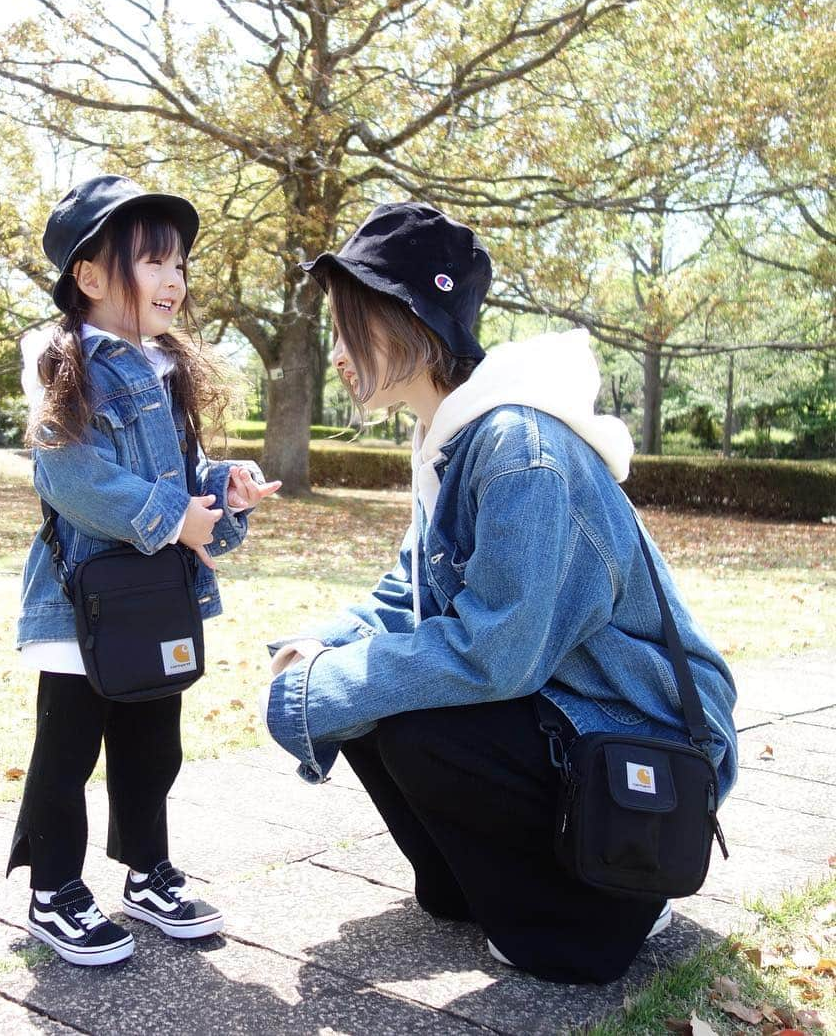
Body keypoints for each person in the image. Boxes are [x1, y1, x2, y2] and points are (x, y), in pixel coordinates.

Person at [260, 202, 737, 984]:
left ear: (406, 319)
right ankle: (474, 885)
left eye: (350, 328)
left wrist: (328, 688)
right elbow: (405, 592)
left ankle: (612, 908)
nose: (338, 352)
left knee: (410, 716)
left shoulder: (519, 449)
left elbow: (497, 651)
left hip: (647, 738)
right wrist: (319, 651)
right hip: (575, 709)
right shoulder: (454, 437)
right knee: (372, 689)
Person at [10, 174, 280, 967]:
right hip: (81, 602)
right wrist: (172, 519)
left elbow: (182, 474)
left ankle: (145, 870)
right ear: (89, 278)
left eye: (180, 265)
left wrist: (221, 490)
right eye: (153, 263)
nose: (174, 280)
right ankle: (54, 887)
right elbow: (70, 475)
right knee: (68, 750)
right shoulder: (67, 365)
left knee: (152, 742)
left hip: (156, 600)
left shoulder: (166, 371)